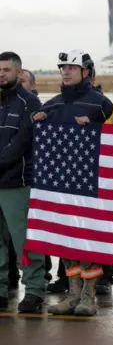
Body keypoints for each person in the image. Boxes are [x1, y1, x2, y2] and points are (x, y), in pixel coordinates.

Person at [33, 49, 113, 317]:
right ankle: (73, 293)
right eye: (63, 68)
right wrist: (37, 122)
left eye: (72, 67)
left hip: (90, 186)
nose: (66, 72)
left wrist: (94, 128)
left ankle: (88, 296)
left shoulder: (102, 104)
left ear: (86, 72)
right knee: (66, 243)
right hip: (59, 186)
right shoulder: (51, 105)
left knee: (86, 242)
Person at [0, 51, 45, 313]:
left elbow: (21, 143)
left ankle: (35, 291)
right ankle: (1, 290)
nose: (2, 74)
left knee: (24, 242)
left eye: (6, 69)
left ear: (19, 73)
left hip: (17, 183)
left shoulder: (30, 103)